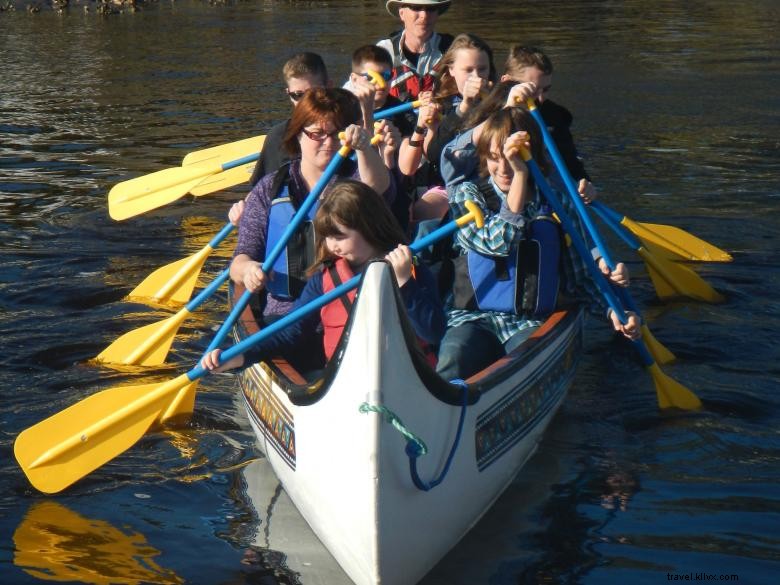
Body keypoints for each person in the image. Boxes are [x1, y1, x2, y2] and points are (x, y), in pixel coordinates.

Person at [436, 107, 639, 381]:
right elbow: (497, 244)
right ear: (484, 157)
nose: (504, 169)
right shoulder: (468, 196)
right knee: (453, 356)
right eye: (495, 158)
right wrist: (520, 177)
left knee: (521, 365)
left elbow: (578, 279)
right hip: (472, 317)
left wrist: (613, 310)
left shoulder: (557, 204)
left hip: (531, 323)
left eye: (514, 159)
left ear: (532, 157)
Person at [201, 180, 446, 377]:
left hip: (409, 379)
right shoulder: (324, 280)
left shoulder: (411, 270)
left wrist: (405, 284)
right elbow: (291, 331)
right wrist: (241, 356)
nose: (332, 246)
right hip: (346, 378)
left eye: (339, 236)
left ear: (369, 226)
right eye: (327, 237)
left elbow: (434, 332)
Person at [231, 88, 393, 331]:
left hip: (350, 311)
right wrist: (249, 270)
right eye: (317, 134)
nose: (328, 143)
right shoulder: (270, 188)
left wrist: (364, 147)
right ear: (298, 135)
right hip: (285, 314)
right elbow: (240, 259)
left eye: (336, 134)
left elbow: (377, 186)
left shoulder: (356, 179)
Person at [501, 45, 590, 182]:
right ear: (507, 82)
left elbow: (570, 161)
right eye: (533, 89)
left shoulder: (555, 115)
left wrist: (585, 182)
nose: (541, 98)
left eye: (546, 89)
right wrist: (509, 109)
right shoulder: (488, 113)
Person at [248, 52, 330, 188]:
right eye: (298, 95)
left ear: (329, 87)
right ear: (288, 93)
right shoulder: (278, 136)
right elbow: (260, 193)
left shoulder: (347, 128)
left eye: (313, 93)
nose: (306, 102)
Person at [378, 0, 454, 102]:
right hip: (396, 117)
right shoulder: (383, 51)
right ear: (402, 14)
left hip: (444, 116)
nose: (424, 15)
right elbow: (355, 88)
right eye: (416, 7)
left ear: (437, 14)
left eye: (431, 9)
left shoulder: (454, 50)